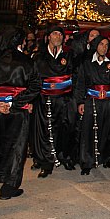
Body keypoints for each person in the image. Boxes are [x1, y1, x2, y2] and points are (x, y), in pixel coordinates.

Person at [0, 29, 41, 200]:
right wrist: (12, 103)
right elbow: (35, 87)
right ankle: (9, 188)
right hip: (17, 112)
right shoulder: (27, 62)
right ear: (21, 42)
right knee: (16, 149)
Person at [74, 29, 110, 175]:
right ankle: (87, 162)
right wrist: (80, 102)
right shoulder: (86, 63)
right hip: (91, 101)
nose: (104, 47)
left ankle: (105, 157)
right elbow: (80, 84)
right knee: (89, 132)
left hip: (109, 103)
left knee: (108, 130)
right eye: (101, 44)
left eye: (106, 45)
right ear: (95, 46)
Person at [30, 25, 78, 177]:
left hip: (64, 99)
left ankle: (64, 157)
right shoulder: (38, 57)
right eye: (54, 34)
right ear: (48, 37)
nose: (57, 37)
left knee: (66, 128)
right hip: (45, 99)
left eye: (60, 34)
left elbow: (74, 76)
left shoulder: (69, 55)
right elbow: (33, 79)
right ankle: (46, 161)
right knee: (45, 130)